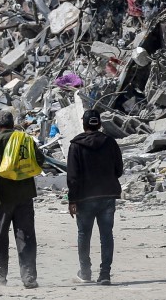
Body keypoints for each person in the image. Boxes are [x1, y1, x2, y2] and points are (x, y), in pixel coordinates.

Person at [0, 109, 46, 289]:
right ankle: (29, 277)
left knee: (1, 237)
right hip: (25, 195)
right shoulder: (26, 139)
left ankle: (0, 276)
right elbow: (41, 160)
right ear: (11, 123)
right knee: (26, 237)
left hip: (3, 198)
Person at [67, 107, 124, 286]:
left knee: (84, 234)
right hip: (107, 196)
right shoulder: (110, 143)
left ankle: (85, 272)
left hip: (85, 198)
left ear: (83, 124)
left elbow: (73, 177)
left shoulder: (76, 145)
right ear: (99, 124)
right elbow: (119, 170)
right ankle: (105, 274)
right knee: (106, 235)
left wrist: (72, 200)